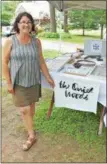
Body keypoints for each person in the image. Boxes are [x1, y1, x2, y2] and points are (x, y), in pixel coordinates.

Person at [2, 12, 55, 151]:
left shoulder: (36, 41)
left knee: (31, 108)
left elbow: (41, 60)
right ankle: (32, 135)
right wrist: (8, 82)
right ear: (18, 25)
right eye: (22, 22)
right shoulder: (10, 41)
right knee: (24, 110)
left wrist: (48, 76)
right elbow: (4, 62)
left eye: (28, 22)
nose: (26, 24)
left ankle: (29, 126)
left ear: (32, 25)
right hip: (18, 81)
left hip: (33, 80)